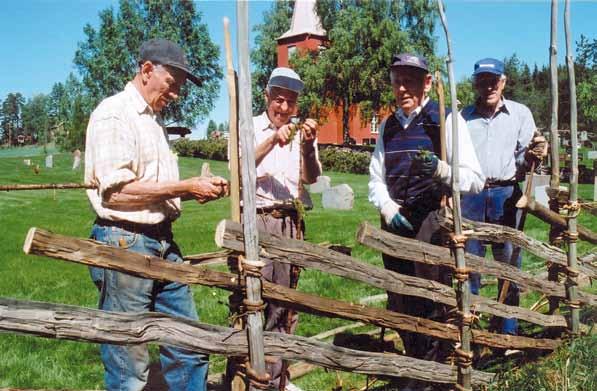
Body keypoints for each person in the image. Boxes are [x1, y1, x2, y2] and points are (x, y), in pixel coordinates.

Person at [84, 38, 228, 391]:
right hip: (124, 241)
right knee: (127, 364)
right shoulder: (115, 114)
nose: (176, 94)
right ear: (147, 70)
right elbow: (117, 193)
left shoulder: (153, 120)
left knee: (190, 346)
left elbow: (150, 190)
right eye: (172, 84)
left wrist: (196, 189)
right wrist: (183, 188)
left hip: (161, 241)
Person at [368, 53, 484, 371]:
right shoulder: (388, 127)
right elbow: (375, 179)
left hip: (431, 224)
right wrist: (389, 208)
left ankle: (436, 370)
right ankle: (416, 365)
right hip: (394, 225)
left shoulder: (445, 120)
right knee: (400, 299)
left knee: (432, 300)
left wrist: (441, 170)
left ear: (427, 83)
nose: (403, 88)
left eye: (411, 81)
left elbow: (475, 179)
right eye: (397, 81)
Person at [461, 58, 547, 336]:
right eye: (482, 81)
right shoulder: (463, 117)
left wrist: (535, 153)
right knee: (469, 264)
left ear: (503, 81)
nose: (488, 86)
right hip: (471, 195)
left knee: (508, 264)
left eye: (493, 80)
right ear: (475, 83)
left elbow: (526, 157)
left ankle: (508, 332)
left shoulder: (520, 114)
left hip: (507, 194)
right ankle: (470, 330)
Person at [254, 67, 321, 391]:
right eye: (278, 100)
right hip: (259, 219)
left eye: (290, 102)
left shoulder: (300, 131)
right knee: (256, 301)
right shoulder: (250, 126)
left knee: (287, 305)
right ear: (266, 97)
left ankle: (280, 378)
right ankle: (255, 379)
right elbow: (239, 161)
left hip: (290, 222)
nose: (283, 108)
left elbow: (311, 177)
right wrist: (271, 140)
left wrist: (307, 146)